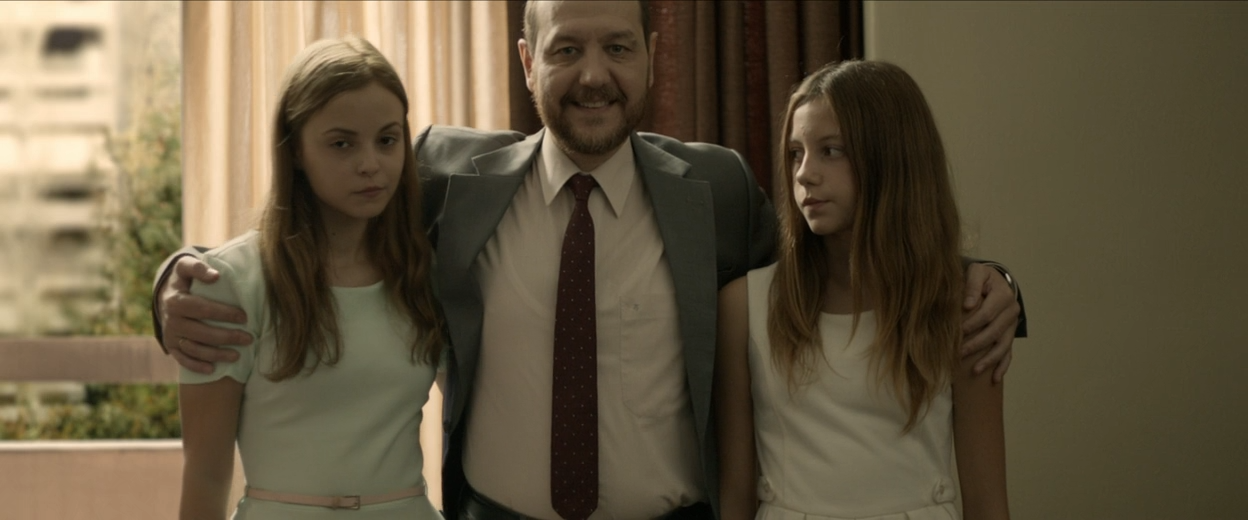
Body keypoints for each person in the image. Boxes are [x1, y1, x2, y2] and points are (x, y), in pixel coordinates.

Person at [154, 2, 1024, 519]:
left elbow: (834, 265)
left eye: (618, 45)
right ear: (528, 62)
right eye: (567, 48)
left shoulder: (717, 188)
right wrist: (179, 277)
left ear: (653, 54)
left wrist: (987, 281)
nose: (594, 74)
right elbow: (318, 216)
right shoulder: (445, 176)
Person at [715, 60, 1010, 520]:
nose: (804, 174)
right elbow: (735, 491)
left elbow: (988, 503)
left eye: (831, 150)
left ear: (892, 159)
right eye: (795, 153)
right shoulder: (746, 306)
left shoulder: (963, 307)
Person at [176, 36, 445, 519]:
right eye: (342, 143)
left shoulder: (423, 270)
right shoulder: (233, 281)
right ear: (295, 149)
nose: (371, 164)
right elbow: (205, 474)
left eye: (387, 140)